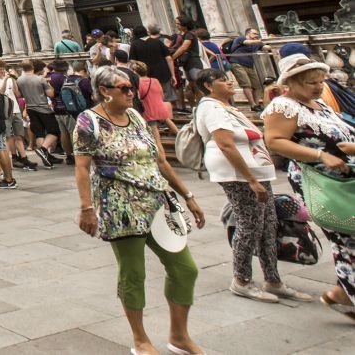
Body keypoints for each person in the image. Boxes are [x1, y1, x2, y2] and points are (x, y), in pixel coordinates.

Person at [73, 65, 205, 355]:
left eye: (132, 87)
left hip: (157, 202)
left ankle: (179, 335)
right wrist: (86, 208)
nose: (132, 92)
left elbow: (159, 160)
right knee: (133, 274)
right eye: (125, 88)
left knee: (185, 269)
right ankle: (140, 339)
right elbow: (82, 167)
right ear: (104, 91)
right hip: (119, 207)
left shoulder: (135, 116)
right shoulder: (88, 121)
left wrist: (188, 195)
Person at [192, 69, 308, 303]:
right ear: (207, 86)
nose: (229, 83)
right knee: (250, 224)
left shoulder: (226, 107)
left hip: (255, 170)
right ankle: (241, 279)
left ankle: (273, 279)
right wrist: (251, 180)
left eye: (229, 79)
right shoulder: (212, 109)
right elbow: (225, 144)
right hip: (239, 174)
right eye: (223, 81)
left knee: (268, 223)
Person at [262, 49, 355, 322]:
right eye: (311, 82)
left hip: (343, 177)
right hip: (319, 179)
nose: (318, 87)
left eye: (320, 81)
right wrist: (320, 155)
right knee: (344, 234)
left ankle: (343, 291)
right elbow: (275, 141)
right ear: (291, 83)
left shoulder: (319, 105)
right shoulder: (283, 106)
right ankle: (347, 291)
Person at [18, 59, 62, 168]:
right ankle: (43, 149)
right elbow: (51, 94)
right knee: (54, 131)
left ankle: (46, 158)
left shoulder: (19, 80)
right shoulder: (40, 79)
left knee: (39, 133)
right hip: (43, 108)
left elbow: (19, 94)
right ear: (32, 67)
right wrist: (48, 83)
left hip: (31, 109)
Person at [224, 28, 267, 111]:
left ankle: (257, 104)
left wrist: (269, 43)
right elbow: (247, 42)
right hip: (237, 63)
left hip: (250, 65)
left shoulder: (257, 43)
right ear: (248, 33)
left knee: (257, 85)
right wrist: (260, 40)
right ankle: (253, 105)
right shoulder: (241, 38)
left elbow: (265, 47)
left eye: (257, 34)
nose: (256, 35)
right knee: (246, 84)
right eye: (254, 33)